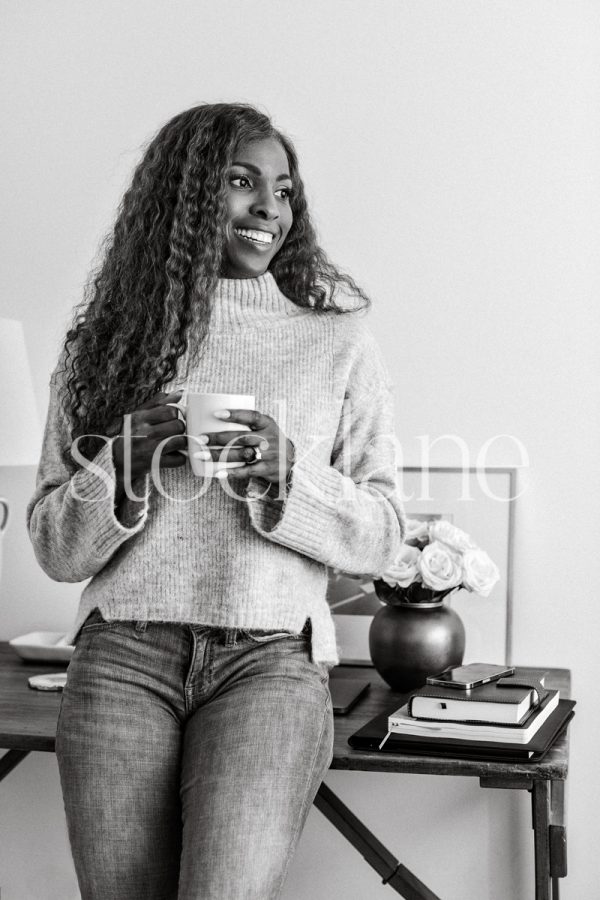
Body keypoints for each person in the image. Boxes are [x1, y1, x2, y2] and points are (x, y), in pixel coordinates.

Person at [26, 103, 406, 900]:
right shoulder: (103, 345)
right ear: (187, 196)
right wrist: (119, 462)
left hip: (268, 662)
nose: (270, 207)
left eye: (283, 188)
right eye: (241, 182)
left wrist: (288, 473)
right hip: (122, 660)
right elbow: (57, 550)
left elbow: (382, 537)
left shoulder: (336, 344)